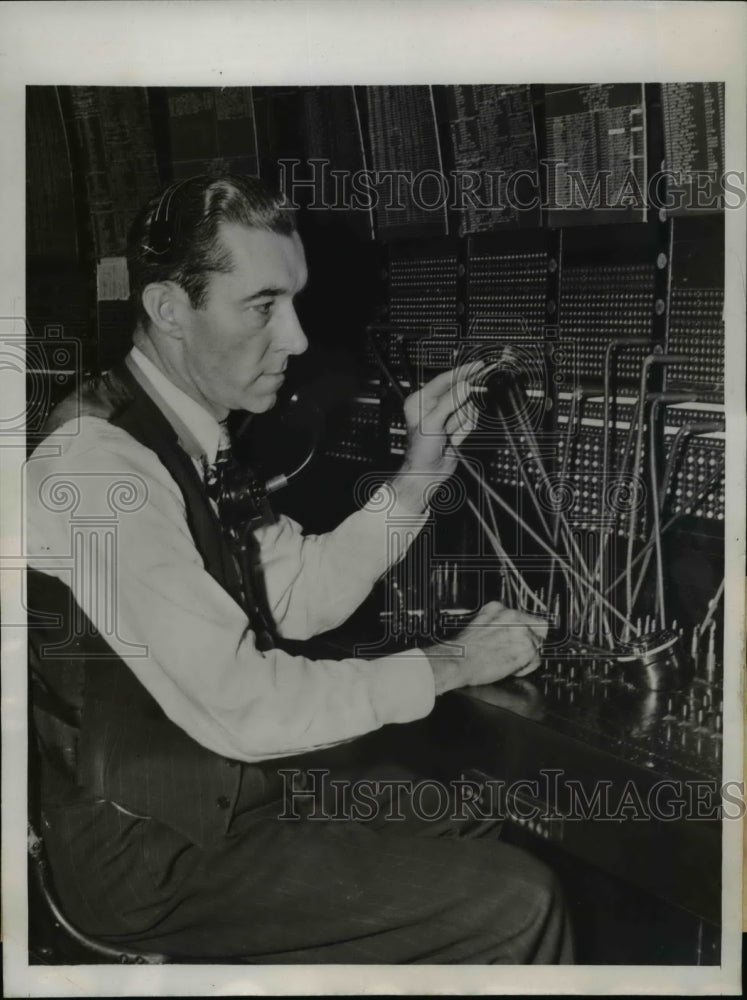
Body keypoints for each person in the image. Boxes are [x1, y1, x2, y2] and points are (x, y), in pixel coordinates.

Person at [26, 173, 572, 964]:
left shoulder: (190, 440)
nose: (296, 339)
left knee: (465, 810)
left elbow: (297, 595)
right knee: (517, 903)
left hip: (223, 793)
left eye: (295, 302)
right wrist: (454, 660)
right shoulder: (99, 470)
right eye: (261, 306)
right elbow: (244, 708)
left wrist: (419, 473)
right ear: (169, 310)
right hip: (148, 856)